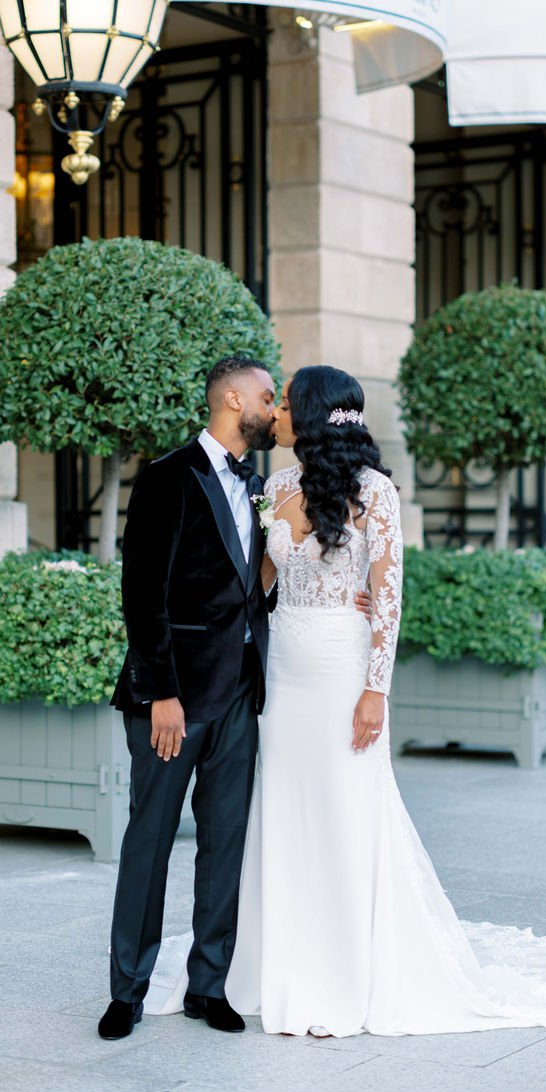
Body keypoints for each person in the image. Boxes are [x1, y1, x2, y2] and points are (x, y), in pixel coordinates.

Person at [145, 365, 546, 1038]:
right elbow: (254, 586)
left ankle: (341, 975)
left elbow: (388, 599)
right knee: (282, 810)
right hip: (282, 673)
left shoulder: (377, 494)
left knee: (344, 811)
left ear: (307, 414)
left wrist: (375, 689)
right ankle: (272, 960)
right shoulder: (274, 487)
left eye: (283, 402)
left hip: (344, 672)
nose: (274, 411)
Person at [99, 355, 368, 1041]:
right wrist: (160, 691)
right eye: (265, 395)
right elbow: (143, 594)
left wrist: (345, 596)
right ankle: (126, 990)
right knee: (150, 841)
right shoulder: (165, 477)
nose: (273, 406)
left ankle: (208, 985)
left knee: (225, 846)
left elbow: (258, 587)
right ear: (229, 398)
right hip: (174, 702)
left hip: (243, 697)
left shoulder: (264, 483)